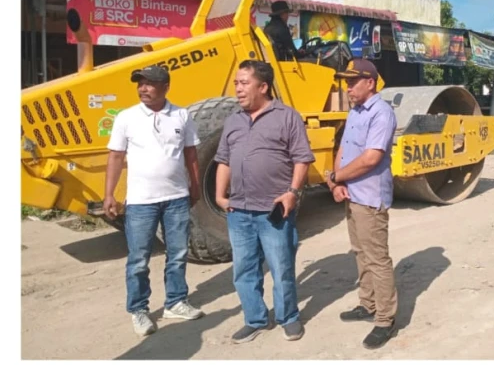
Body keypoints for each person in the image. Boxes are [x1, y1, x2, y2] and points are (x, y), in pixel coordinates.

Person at [215, 59, 314, 344]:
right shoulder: (233, 120)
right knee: (244, 269)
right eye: (236, 83)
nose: (238, 89)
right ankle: (255, 319)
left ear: (263, 87)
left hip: (273, 210)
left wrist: (292, 193)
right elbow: (223, 160)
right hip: (238, 211)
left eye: (244, 83)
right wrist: (221, 196)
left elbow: (302, 158)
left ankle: (289, 317)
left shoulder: (287, 116)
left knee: (281, 266)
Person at [104, 64, 203, 338]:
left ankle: (175, 302)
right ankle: (138, 310)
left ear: (166, 87)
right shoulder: (126, 118)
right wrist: (109, 194)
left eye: (149, 84)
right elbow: (114, 156)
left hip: (176, 199)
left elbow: (191, 154)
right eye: (140, 84)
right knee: (138, 259)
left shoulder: (181, 115)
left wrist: (195, 186)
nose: (143, 89)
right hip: (140, 202)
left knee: (179, 253)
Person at [325, 59, 398, 350]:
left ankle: (385, 320)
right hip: (351, 193)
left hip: (369, 198)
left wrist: (335, 176)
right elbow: (342, 148)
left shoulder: (381, 113)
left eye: (352, 82)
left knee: (377, 259)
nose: (348, 87)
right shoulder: (355, 111)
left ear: (370, 82)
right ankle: (367, 305)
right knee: (360, 252)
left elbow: (371, 158)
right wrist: (337, 182)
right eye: (345, 82)